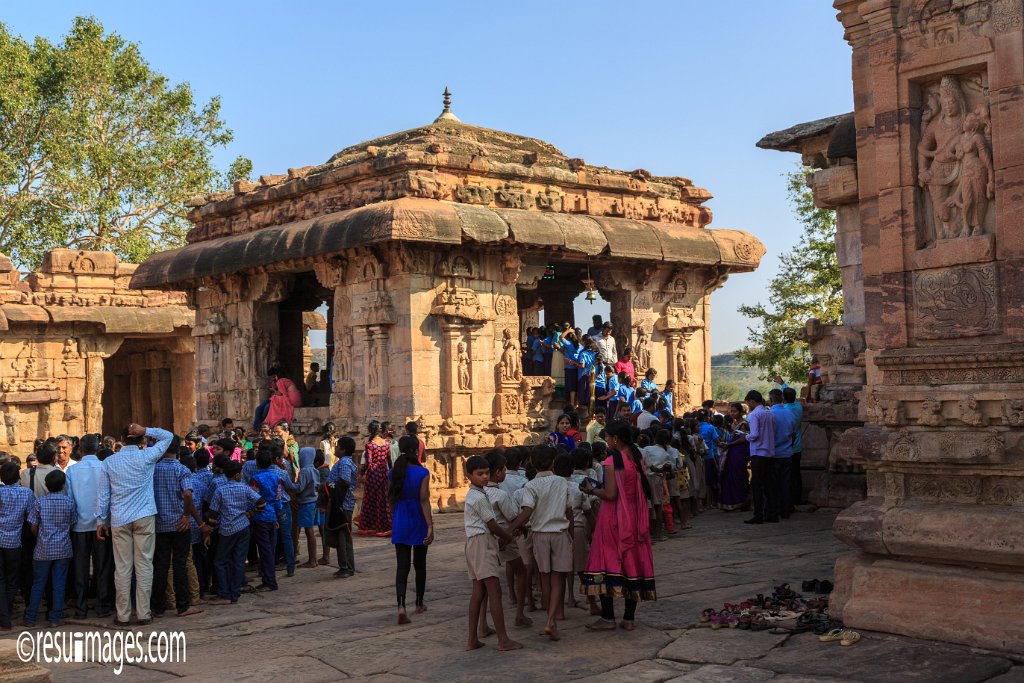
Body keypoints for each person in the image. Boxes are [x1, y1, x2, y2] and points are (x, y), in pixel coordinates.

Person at [580, 419, 656, 631]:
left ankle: (608, 617)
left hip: (613, 518)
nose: (605, 440)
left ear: (615, 439)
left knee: (606, 562)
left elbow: (611, 494)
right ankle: (629, 618)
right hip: (635, 516)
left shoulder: (612, 461)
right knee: (632, 562)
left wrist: (591, 490)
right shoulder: (636, 457)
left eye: (607, 436)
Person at [96, 423, 174, 627]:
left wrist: (100, 520)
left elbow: (103, 495)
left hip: (119, 518)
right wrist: (146, 430)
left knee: (122, 568)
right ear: (141, 441)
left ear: (121, 441)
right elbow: (168, 437)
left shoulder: (109, 462)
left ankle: (122, 615)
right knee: (144, 565)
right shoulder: (147, 456)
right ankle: (143, 613)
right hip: (144, 515)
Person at [510, 445, 572, 642]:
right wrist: (572, 534)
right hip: (559, 532)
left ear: (531, 463)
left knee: (544, 577)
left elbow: (527, 511)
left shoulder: (530, 486)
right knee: (558, 579)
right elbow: (568, 509)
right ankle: (551, 621)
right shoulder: (561, 482)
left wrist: (510, 529)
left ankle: (548, 619)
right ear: (553, 462)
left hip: (540, 534)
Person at [463, 455, 522, 652]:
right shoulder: (479, 497)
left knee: (479, 592)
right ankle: (503, 640)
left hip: (474, 543)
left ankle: (472, 639)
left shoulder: (477, 494)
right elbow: (492, 524)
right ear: (469, 475)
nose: (484, 477)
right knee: (494, 592)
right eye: (479, 474)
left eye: (486, 473)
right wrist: (508, 537)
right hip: (482, 543)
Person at [151, 442, 204, 618]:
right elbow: (188, 494)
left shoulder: (153, 470)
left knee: (161, 565)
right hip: (179, 524)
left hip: (159, 523)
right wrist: (186, 516)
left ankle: (158, 607)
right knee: (180, 564)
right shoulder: (182, 470)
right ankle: (183, 606)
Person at [65, 434, 114, 619]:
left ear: (80, 449)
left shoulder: (72, 471)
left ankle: (81, 607)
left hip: (79, 524)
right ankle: (102, 605)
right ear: (98, 447)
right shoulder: (104, 467)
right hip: (102, 524)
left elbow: (69, 500)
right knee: (102, 566)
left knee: (81, 566)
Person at [483, 450, 531, 629]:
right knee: (521, 571)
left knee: (484, 582)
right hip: (504, 536)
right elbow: (512, 517)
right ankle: (519, 613)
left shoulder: (480, 492)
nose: (505, 472)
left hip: (486, 539)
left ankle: (483, 624)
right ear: (497, 472)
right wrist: (521, 528)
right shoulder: (500, 494)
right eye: (503, 470)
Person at [207, 461, 265, 605]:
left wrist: (208, 530)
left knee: (220, 561)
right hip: (243, 526)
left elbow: (213, 514)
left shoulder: (220, 490)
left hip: (227, 529)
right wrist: (250, 513)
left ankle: (224, 593)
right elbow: (262, 503)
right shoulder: (244, 488)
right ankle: (235, 592)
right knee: (239, 561)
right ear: (238, 474)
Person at [389, 436, 433, 625]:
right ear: (417, 451)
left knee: (402, 566)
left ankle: (401, 606)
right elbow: (424, 500)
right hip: (418, 519)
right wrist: (430, 525)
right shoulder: (422, 473)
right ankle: (419, 603)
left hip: (401, 518)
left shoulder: (394, 472)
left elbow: (391, 497)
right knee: (420, 564)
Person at [25, 470, 76, 627]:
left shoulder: (39, 502)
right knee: (59, 584)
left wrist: (41, 534)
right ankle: (55, 618)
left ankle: (30, 618)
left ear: (46, 485)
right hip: (63, 548)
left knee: (38, 584)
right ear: (63, 486)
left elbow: (33, 527)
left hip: (43, 548)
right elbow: (72, 523)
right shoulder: (69, 502)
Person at [0, 461, 32, 630]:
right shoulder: (26, 493)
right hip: (14, 542)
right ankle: (6, 612)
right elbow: (30, 517)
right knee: (13, 579)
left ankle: (4, 616)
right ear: (18, 476)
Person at [250, 448, 282, 592]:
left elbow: (253, 498)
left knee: (265, 549)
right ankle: (268, 578)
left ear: (257, 463)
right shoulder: (276, 477)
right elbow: (278, 497)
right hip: (272, 514)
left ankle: (269, 581)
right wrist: (276, 513)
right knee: (270, 548)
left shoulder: (255, 479)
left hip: (260, 515)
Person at [326, 436, 358, 576]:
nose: (335, 448)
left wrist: (327, 486)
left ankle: (346, 566)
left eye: (338, 446)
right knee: (343, 535)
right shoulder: (343, 462)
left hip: (342, 504)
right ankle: (345, 566)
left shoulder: (344, 463)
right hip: (342, 503)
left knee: (343, 536)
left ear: (343, 449)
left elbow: (344, 482)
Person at [744, 391, 776, 525]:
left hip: (758, 453)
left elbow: (755, 434)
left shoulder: (754, 415)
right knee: (769, 485)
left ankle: (758, 515)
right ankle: (772, 514)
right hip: (769, 452)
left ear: (752, 401)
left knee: (757, 485)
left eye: (748, 403)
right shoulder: (770, 413)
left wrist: (746, 436)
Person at [358, 421, 392, 536]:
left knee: (370, 499)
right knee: (383, 500)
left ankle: (370, 525)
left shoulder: (370, 445)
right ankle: (384, 525)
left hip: (373, 473)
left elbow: (368, 462)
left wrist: (361, 473)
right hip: (384, 472)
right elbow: (389, 461)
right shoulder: (386, 444)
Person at [769, 389, 798, 520]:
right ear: (782, 399)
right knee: (786, 484)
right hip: (787, 453)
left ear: (770, 400)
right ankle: (785, 510)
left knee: (773, 484)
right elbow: (793, 434)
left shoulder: (770, 415)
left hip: (774, 454)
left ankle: (774, 510)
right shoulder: (790, 413)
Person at [641, 430, 674, 541]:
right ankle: (658, 533)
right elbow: (671, 472)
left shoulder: (646, 449)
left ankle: (649, 533)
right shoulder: (665, 454)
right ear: (668, 442)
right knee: (658, 506)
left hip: (645, 478)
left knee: (648, 506)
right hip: (656, 479)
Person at [720, 403, 751, 512]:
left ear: (741, 412)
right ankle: (733, 502)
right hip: (732, 452)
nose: (733, 413)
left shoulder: (744, 424)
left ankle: (742, 501)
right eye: (731, 411)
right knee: (731, 476)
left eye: (735, 411)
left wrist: (729, 445)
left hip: (740, 453)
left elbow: (744, 439)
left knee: (739, 476)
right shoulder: (734, 423)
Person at [296, 448, 320, 569]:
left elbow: (300, 488)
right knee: (310, 531)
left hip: (306, 502)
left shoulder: (305, 471)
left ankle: (312, 560)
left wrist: (290, 485)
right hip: (314, 501)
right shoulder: (315, 470)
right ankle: (313, 559)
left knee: (309, 531)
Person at [783, 387, 804, 510]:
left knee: (787, 476)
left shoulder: (785, 410)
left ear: (783, 399)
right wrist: (783, 384)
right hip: (797, 446)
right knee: (796, 474)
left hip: (787, 447)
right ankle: (797, 498)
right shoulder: (798, 407)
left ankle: (789, 500)